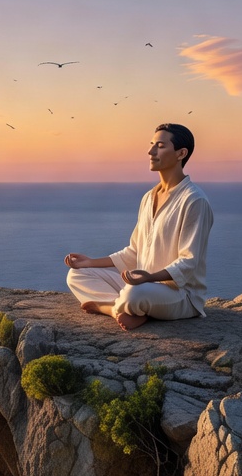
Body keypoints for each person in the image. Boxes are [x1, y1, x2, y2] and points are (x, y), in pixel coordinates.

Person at [63, 123, 213, 331]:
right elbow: (134, 252)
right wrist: (90, 262)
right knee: (77, 275)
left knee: (135, 294)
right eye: (152, 145)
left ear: (181, 153)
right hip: (141, 283)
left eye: (160, 146)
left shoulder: (194, 201)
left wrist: (150, 277)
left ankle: (114, 307)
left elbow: (189, 262)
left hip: (179, 295)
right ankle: (118, 310)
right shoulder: (148, 198)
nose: (150, 151)